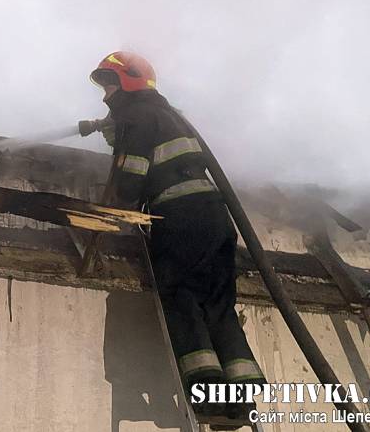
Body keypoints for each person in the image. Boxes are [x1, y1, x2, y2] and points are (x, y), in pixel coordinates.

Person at [89, 51, 265, 418]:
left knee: (181, 298)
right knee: (218, 303)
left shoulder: (136, 116)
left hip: (180, 220)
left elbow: (132, 180)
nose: (105, 96)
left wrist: (119, 157)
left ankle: (211, 398)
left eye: (108, 85)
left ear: (127, 83)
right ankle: (242, 394)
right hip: (217, 220)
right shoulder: (170, 116)